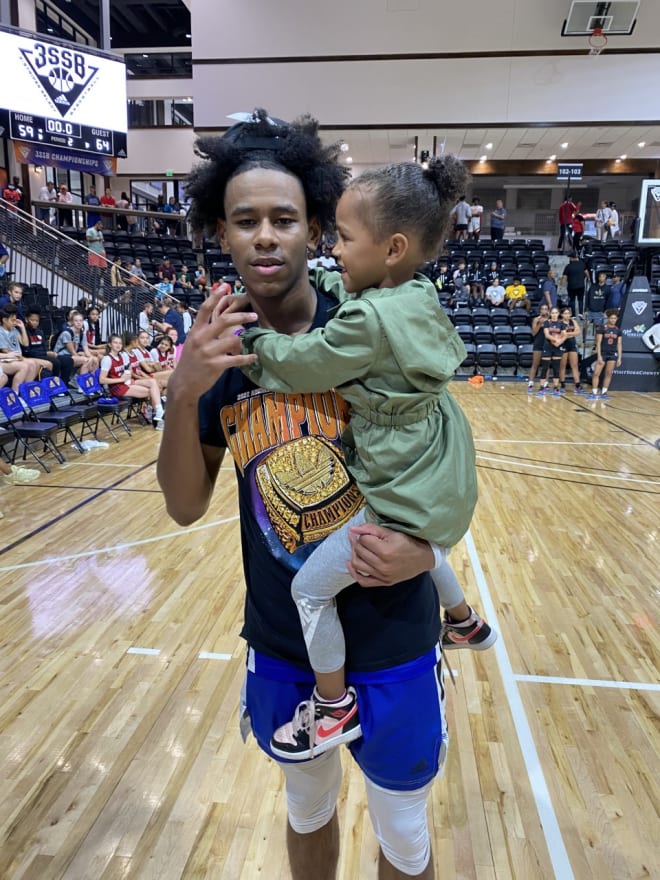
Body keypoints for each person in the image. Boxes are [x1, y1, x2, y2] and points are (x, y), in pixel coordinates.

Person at [158, 109, 481, 880]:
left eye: (285, 219)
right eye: (245, 221)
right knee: (307, 811)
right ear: (221, 233)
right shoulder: (215, 352)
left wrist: (428, 548)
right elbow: (182, 504)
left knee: (403, 832)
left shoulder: (371, 319)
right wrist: (181, 391)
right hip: (283, 641)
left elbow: (443, 457)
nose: (265, 235)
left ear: (314, 231)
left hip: (393, 634)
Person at [239, 153, 496, 761]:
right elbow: (363, 303)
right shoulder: (417, 292)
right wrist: (334, 282)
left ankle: (332, 708)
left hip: (397, 473)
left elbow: (305, 364)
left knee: (310, 589)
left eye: (346, 240)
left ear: (393, 247)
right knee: (424, 533)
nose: (333, 252)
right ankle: (462, 619)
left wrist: (256, 344)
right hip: (438, 454)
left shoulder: (364, 325)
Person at [99, 335, 165, 427]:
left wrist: (127, 376)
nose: (118, 345)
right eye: (115, 343)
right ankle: (153, 415)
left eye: (120, 343)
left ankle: (158, 411)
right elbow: (102, 380)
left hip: (126, 383)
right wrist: (121, 379)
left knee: (153, 382)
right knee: (153, 391)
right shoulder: (107, 359)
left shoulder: (122, 356)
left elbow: (128, 371)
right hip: (116, 388)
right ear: (110, 344)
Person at [0, 305, 40, 388]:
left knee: (35, 364)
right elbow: (5, 351)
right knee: (24, 366)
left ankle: (25, 391)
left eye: (15, 320)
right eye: (12, 320)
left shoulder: (14, 330)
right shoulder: (1, 331)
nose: (15, 322)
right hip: (6, 360)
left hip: (16, 357)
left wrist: (22, 328)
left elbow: (25, 344)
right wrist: (20, 358)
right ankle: (15, 393)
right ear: (4, 320)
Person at [588, 309, 622, 400]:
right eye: (611, 318)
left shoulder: (618, 330)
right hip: (603, 353)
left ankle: (604, 392)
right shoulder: (602, 328)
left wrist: (619, 358)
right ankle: (594, 392)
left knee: (609, 373)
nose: (613, 320)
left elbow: (619, 344)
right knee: (596, 373)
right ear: (608, 318)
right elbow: (598, 343)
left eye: (615, 318)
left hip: (612, 354)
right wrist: (599, 355)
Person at [538, 306, 567, 396]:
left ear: (558, 314)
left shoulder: (561, 324)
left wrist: (560, 342)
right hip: (548, 346)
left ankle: (555, 387)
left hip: (557, 347)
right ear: (550, 314)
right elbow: (547, 334)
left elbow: (564, 335)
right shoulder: (547, 323)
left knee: (556, 367)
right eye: (553, 313)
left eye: (556, 313)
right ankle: (542, 386)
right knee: (545, 367)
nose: (554, 315)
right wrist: (555, 340)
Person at [526, 303, 550, 393]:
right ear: (540, 310)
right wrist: (539, 325)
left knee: (546, 365)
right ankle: (531, 383)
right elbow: (533, 333)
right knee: (535, 364)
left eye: (546, 308)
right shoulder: (536, 319)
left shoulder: (550, 320)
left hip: (547, 344)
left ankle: (545, 383)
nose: (544, 310)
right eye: (543, 309)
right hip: (538, 343)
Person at [557, 307, 583, 393]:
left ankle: (577, 384)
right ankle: (563, 384)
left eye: (568, 313)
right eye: (565, 313)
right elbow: (561, 334)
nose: (567, 315)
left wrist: (567, 334)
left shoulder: (573, 321)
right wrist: (572, 334)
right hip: (563, 344)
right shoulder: (559, 323)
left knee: (574, 365)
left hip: (572, 344)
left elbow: (578, 331)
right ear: (561, 314)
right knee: (562, 365)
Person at [560, 251, 589, 316]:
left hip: (571, 286)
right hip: (581, 285)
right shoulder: (582, 264)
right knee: (580, 300)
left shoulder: (568, 266)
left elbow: (564, 277)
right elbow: (586, 272)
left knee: (572, 300)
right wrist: (588, 279)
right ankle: (580, 313)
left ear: (571, 258)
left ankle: (573, 315)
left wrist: (561, 285)